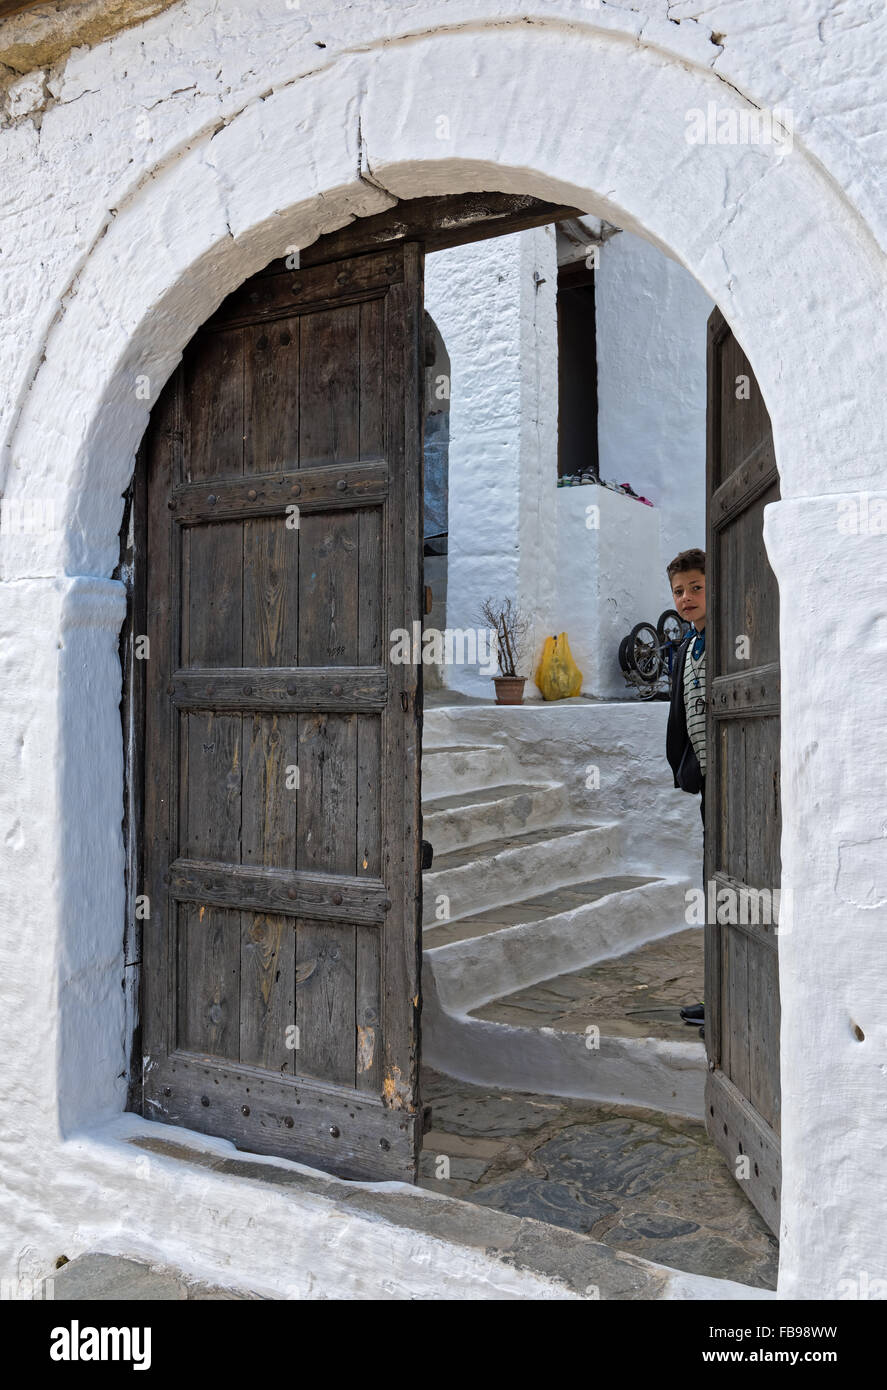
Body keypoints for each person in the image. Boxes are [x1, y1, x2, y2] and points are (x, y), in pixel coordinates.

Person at [664, 548, 707, 1038]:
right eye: (679, 591)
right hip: (707, 787)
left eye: (696, 587)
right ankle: (717, 991)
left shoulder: (722, 641)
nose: (687, 597)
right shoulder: (687, 646)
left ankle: (729, 993)